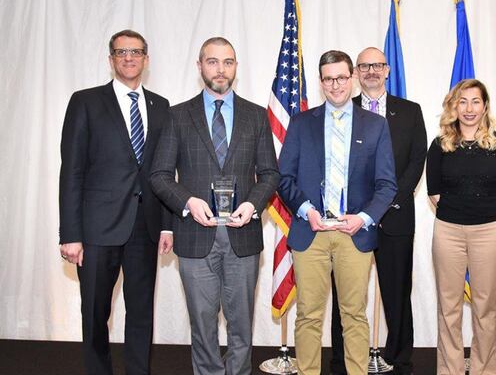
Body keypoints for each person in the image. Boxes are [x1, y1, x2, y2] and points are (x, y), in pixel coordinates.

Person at [149, 37, 280, 375]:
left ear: (236, 66)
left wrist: (253, 204)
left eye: (228, 62)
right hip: (194, 236)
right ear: (199, 66)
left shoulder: (256, 115)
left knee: (241, 326)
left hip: (243, 236)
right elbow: (160, 175)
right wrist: (188, 202)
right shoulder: (178, 116)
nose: (221, 70)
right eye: (213, 62)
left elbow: (269, 174)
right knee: (203, 326)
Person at [277, 50, 397, 375]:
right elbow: (283, 178)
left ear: (353, 78)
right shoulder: (301, 123)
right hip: (310, 231)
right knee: (309, 315)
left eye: (342, 77)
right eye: (328, 78)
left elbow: (387, 185)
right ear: (320, 82)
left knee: (354, 315)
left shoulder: (376, 125)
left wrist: (363, 218)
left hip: (354, 233)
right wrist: (305, 210)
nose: (336, 85)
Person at [59, 29, 171, 374]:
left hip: (145, 228)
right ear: (111, 60)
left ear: (146, 59)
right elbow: (72, 171)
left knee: (141, 313)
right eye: (121, 52)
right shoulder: (86, 101)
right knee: (94, 312)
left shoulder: (161, 105)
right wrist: (70, 233)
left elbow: (163, 171)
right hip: (96, 230)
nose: (128, 58)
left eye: (135, 52)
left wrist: (167, 224)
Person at [329, 47, 427, 375]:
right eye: (365, 66)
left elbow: (416, 160)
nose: (372, 70)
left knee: (397, 293)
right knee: (346, 296)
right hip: (350, 220)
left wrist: (386, 202)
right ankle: (342, 362)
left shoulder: (410, 111)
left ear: (387, 70)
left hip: (395, 215)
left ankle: (400, 361)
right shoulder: (342, 109)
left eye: (378, 65)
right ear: (356, 73)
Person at [426, 79, 496, 375]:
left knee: (484, 306)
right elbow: (434, 192)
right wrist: (460, 211)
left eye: (475, 101)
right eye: (462, 101)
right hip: (448, 232)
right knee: (448, 306)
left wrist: (482, 211)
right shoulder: (439, 145)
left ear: (485, 106)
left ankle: (484, 368)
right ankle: (449, 369)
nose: (469, 108)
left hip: (488, 231)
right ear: (454, 106)